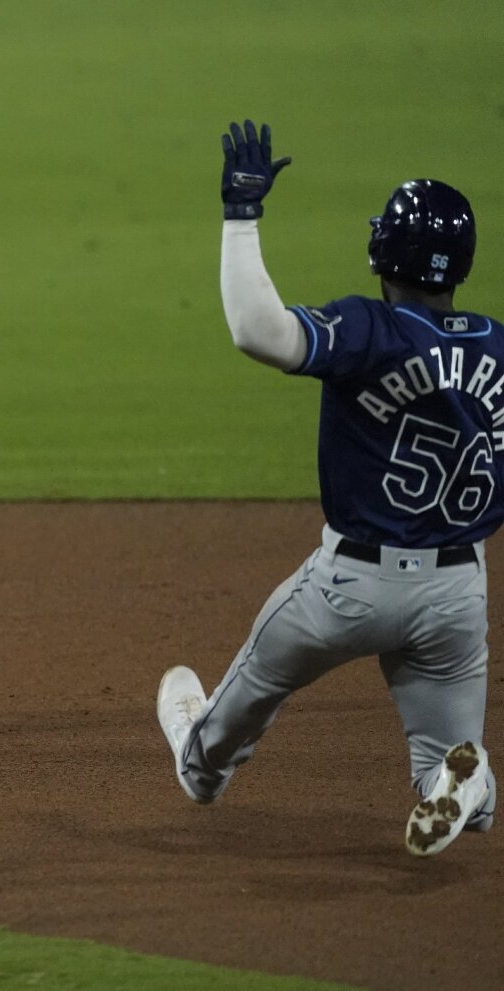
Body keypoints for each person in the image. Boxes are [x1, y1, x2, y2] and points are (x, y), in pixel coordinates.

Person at [157, 120, 496, 856]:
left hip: (347, 588)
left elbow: (258, 330)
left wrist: (242, 217)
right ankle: (466, 777)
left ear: (384, 251)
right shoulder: (498, 346)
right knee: (447, 767)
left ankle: (204, 765)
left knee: (249, 692)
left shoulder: (368, 329)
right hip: (456, 595)